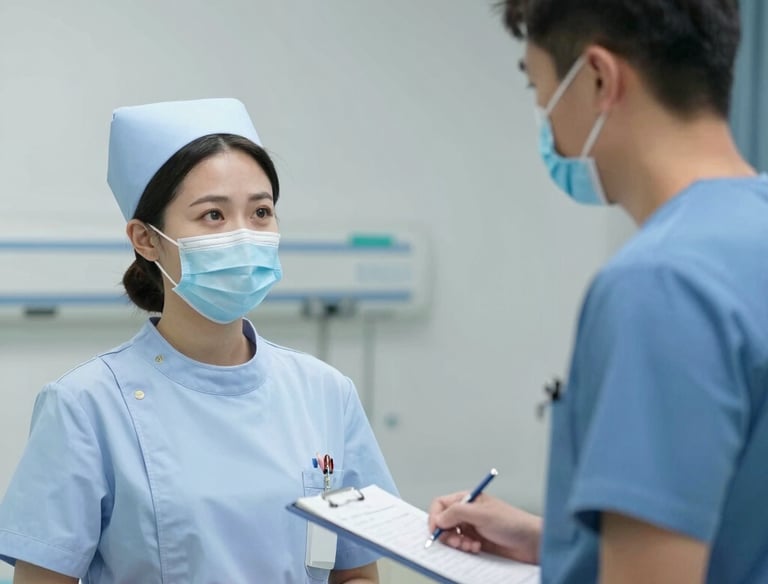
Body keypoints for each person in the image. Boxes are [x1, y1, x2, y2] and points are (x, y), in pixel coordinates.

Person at [428, 1, 768, 582]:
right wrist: (552, 540)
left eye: (543, 99)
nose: (550, 132)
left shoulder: (660, 286)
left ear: (598, 79)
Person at [0, 98, 396, 584]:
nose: (244, 235)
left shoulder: (326, 392)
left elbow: (355, 574)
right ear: (146, 239)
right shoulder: (87, 406)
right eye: (213, 215)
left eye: (261, 211)